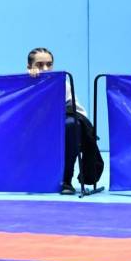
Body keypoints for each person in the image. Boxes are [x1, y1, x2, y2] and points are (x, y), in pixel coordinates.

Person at [27, 48, 104, 194]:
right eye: (39, 64)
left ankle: (66, 181)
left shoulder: (63, 84)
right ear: (29, 67)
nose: (45, 69)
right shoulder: (21, 84)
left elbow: (76, 113)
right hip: (33, 129)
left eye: (49, 64)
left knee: (71, 125)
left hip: (62, 128)